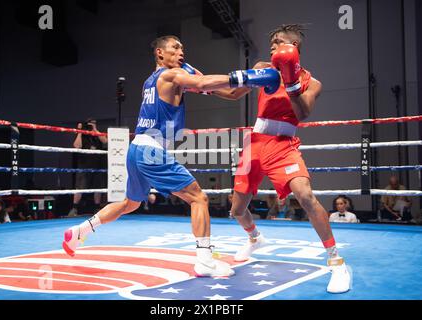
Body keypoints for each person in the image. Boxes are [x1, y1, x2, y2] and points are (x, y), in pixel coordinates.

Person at [62, 35, 280, 277]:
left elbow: (228, 93)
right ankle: (205, 261)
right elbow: (206, 82)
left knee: (129, 203)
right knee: (199, 198)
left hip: (137, 149)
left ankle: (80, 231)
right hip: (151, 151)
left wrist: (253, 81)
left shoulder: (152, 80)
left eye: (182, 48)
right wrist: (249, 75)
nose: (181, 52)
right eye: (175, 48)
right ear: (160, 54)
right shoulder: (171, 75)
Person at [212, 24, 351, 293]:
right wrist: (200, 87)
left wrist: (291, 83)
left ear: (293, 48)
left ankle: (337, 261)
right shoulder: (264, 68)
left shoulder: (314, 82)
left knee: (306, 196)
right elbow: (233, 93)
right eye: (272, 41)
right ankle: (255, 238)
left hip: (283, 146)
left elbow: (303, 113)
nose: (273, 46)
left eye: (278, 42)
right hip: (255, 143)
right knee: (237, 210)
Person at [68, 118, 108, 217]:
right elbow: (77, 146)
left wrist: (95, 130)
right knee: (80, 187)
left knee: (97, 187)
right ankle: (74, 208)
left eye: (94, 123)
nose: (91, 125)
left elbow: (106, 141)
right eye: (90, 124)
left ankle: (97, 208)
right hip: (84, 165)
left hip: (97, 165)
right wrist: (80, 131)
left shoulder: (97, 135)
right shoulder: (83, 134)